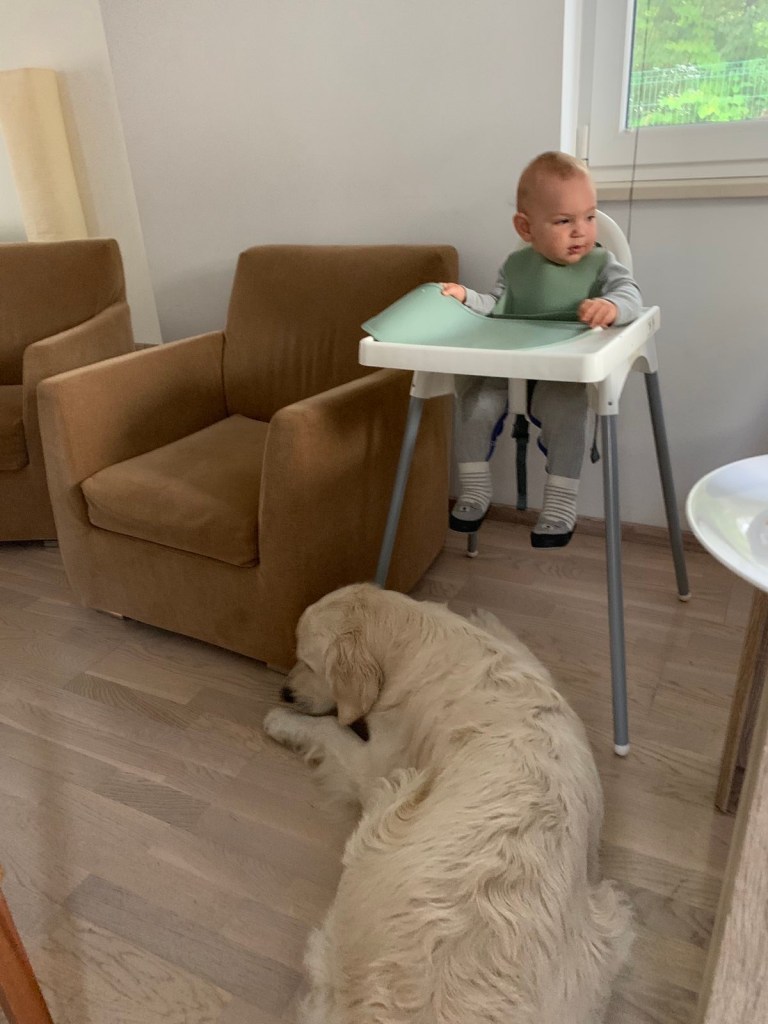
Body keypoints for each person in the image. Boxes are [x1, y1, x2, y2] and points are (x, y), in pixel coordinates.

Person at [441, 151, 642, 548]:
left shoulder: (602, 264)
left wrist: (612, 306)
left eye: (589, 217)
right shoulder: (516, 266)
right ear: (526, 227)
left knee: (567, 413)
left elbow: (631, 294)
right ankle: (475, 488)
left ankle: (560, 502)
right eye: (564, 221)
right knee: (475, 404)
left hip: (560, 373)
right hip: (509, 366)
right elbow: (495, 306)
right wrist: (465, 297)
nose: (581, 231)